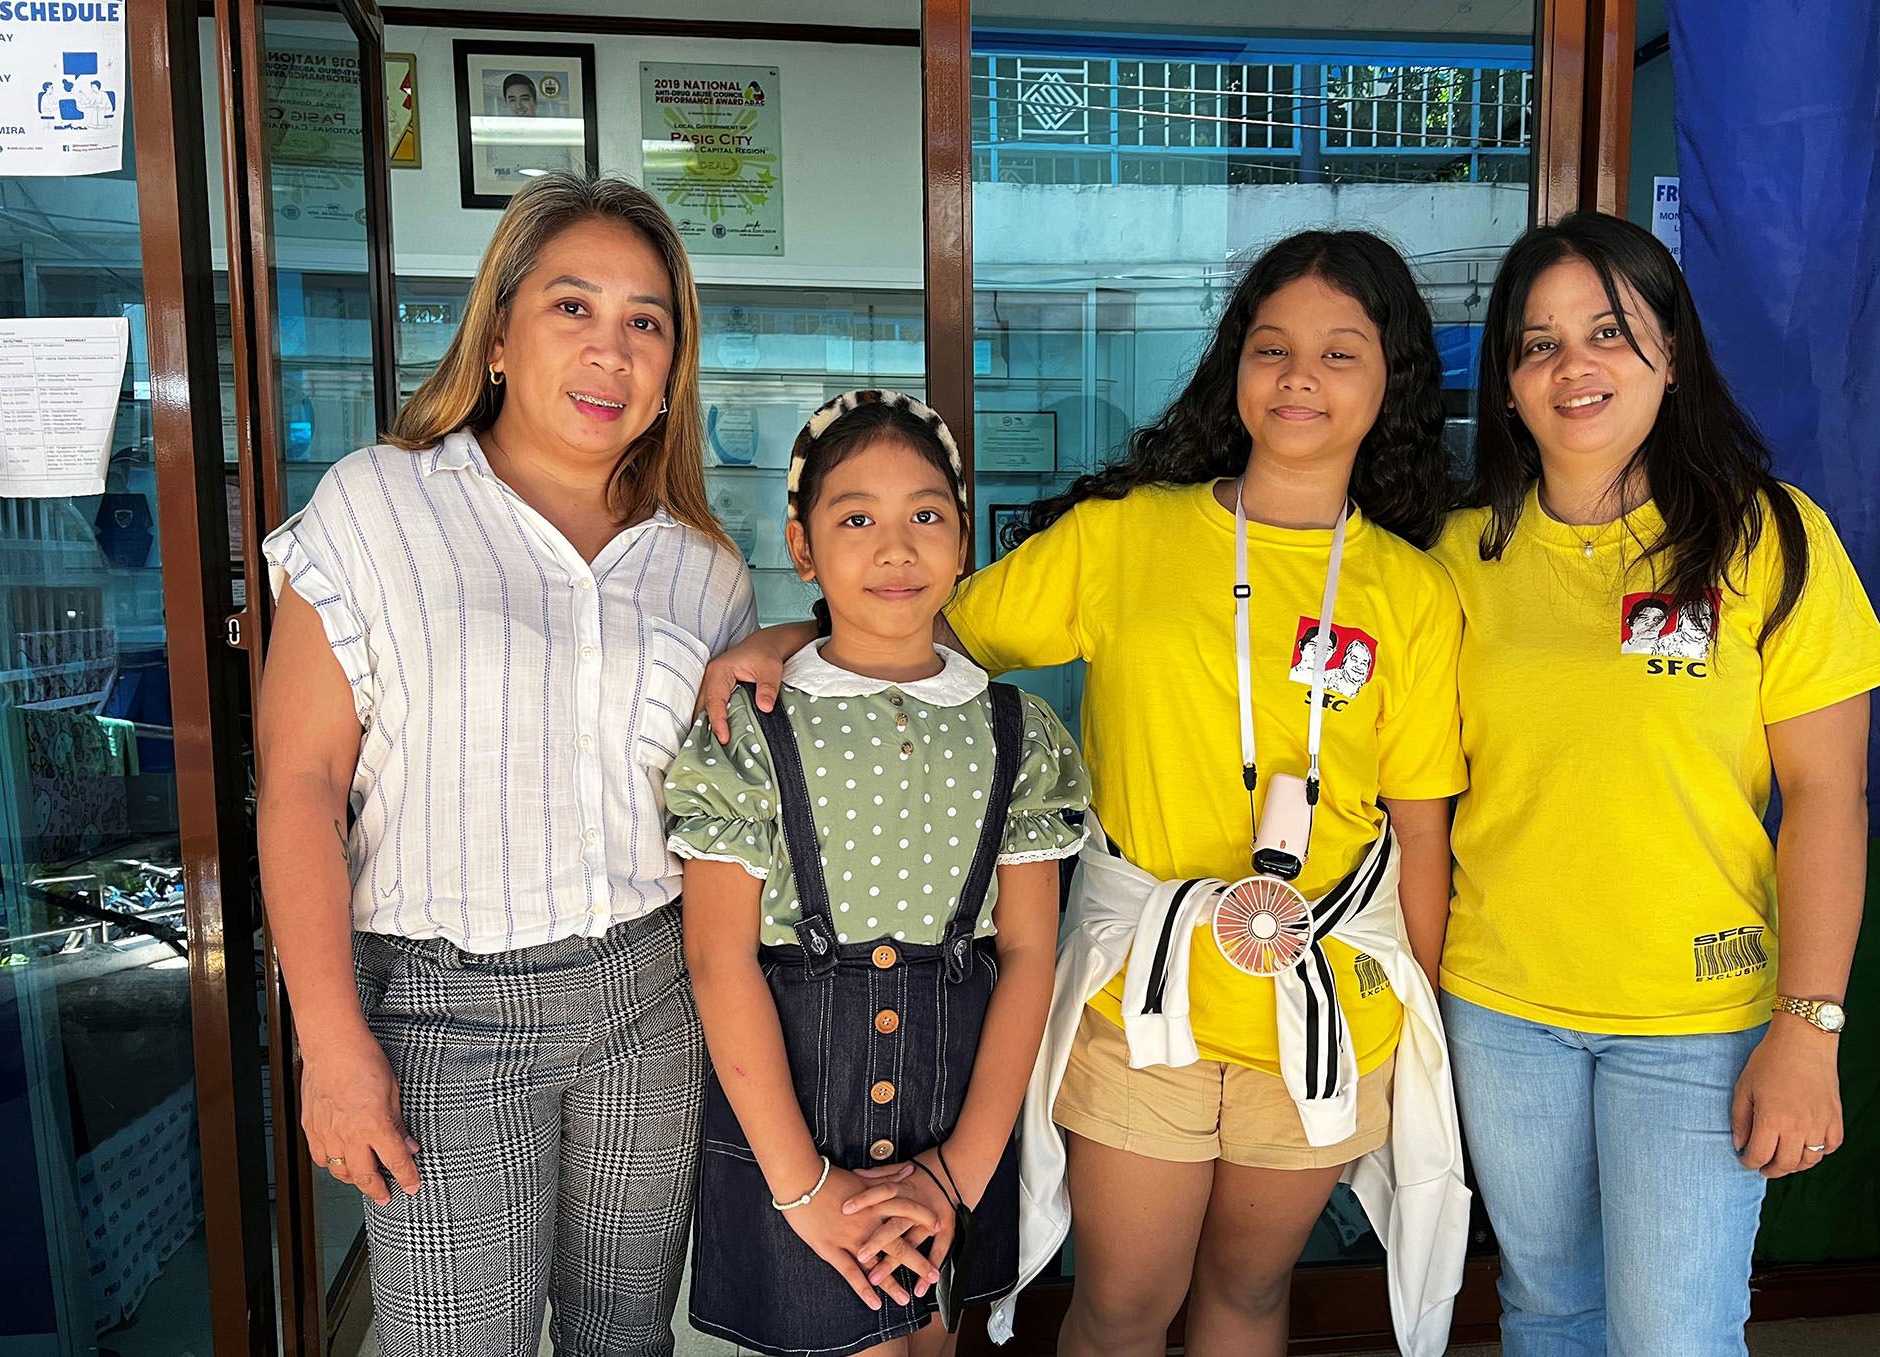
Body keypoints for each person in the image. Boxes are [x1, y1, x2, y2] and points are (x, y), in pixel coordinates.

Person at [701, 231, 1471, 1357]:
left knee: (1254, 1294)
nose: (1299, 377)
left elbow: (1420, 833)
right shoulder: (1125, 537)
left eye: (1339, 352)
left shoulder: (1413, 590)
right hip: (1140, 1003)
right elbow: (925, 623)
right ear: (1234, 366)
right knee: (1120, 1305)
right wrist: (788, 636)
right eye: (1271, 347)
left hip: (1323, 1008)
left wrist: (1420, 1019)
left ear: (1390, 379)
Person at [256, 173, 752, 1357]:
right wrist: (331, 1045)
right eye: (570, 307)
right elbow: (299, 784)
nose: (609, 350)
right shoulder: (378, 506)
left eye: (645, 321)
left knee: (623, 1332)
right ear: (495, 334)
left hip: (651, 995)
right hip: (443, 1009)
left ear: (671, 367)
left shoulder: (703, 569)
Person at [1431, 210, 1880, 1357]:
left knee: (1672, 1335)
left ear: (1671, 353)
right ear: (1504, 383)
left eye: (1607, 331)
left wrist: (1807, 1028)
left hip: (1696, 1021)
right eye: (1537, 342)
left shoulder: (1768, 539)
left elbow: (1828, 802)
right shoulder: (1455, 559)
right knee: (1545, 1313)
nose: (1571, 365)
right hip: (1501, 1013)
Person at [670, 389, 1088, 1357]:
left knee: (935, 1342)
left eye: (925, 515)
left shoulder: (1016, 730)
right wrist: (803, 1187)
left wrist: (959, 1169)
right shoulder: (750, 729)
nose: (894, 548)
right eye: (854, 517)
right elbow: (719, 962)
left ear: (960, 542)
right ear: (802, 547)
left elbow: (1027, 954)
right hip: (796, 1120)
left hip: (954, 1111)